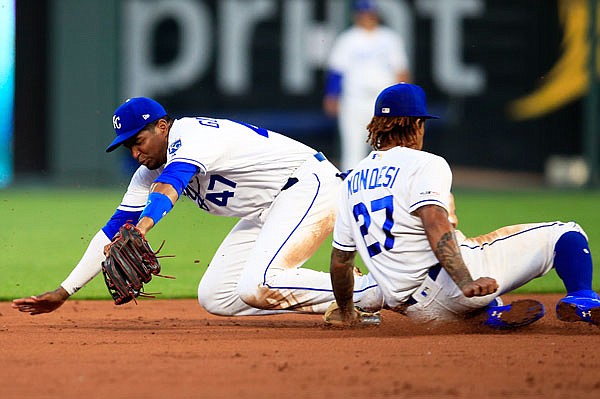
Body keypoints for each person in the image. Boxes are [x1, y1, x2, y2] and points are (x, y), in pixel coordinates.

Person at [12, 97, 382, 316]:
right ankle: (336, 301)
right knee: (216, 296)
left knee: (258, 284)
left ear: (162, 126)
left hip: (308, 186)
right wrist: (64, 292)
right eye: (128, 147)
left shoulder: (193, 135)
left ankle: (370, 293)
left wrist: (143, 228)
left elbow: (173, 181)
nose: (136, 153)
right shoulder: (147, 171)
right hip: (269, 207)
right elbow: (111, 231)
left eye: (139, 140)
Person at [329, 82, 600, 328]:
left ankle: (487, 315)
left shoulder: (352, 180)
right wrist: (465, 282)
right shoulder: (425, 163)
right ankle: (583, 300)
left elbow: (340, 262)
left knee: (476, 286)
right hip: (451, 285)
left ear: (378, 125)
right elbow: (434, 220)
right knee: (566, 234)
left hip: (416, 311)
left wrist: (345, 311)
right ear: (417, 124)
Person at [323, 0, 410, 172]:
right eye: (363, 13)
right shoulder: (348, 39)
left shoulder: (389, 38)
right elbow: (337, 71)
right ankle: (350, 192)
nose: (366, 17)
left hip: (383, 102)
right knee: (353, 150)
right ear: (356, 15)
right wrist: (332, 96)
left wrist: (404, 99)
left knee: (387, 148)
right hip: (354, 100)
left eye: (369, 13)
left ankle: (387, 189)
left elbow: (401, 70)